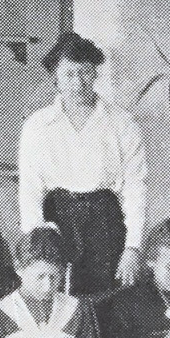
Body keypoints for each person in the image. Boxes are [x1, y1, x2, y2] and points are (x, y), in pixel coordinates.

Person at [15, 31, 149, 295]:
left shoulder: (122, 124)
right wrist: (37, 243)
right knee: (58, 298)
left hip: (106, 226)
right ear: (56, 78)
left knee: (105, 302)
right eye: (69, 74)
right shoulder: (37, 126)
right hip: (57, 223)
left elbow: (136, 187)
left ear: (96, 73)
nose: (78, 84)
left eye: (85, 72)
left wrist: (133, 247)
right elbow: (29, 189)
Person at [0, 226, 103, 338]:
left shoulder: (76, 309)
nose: (47, 287)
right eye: (39, 277)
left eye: (54, 277)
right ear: (19, 269)